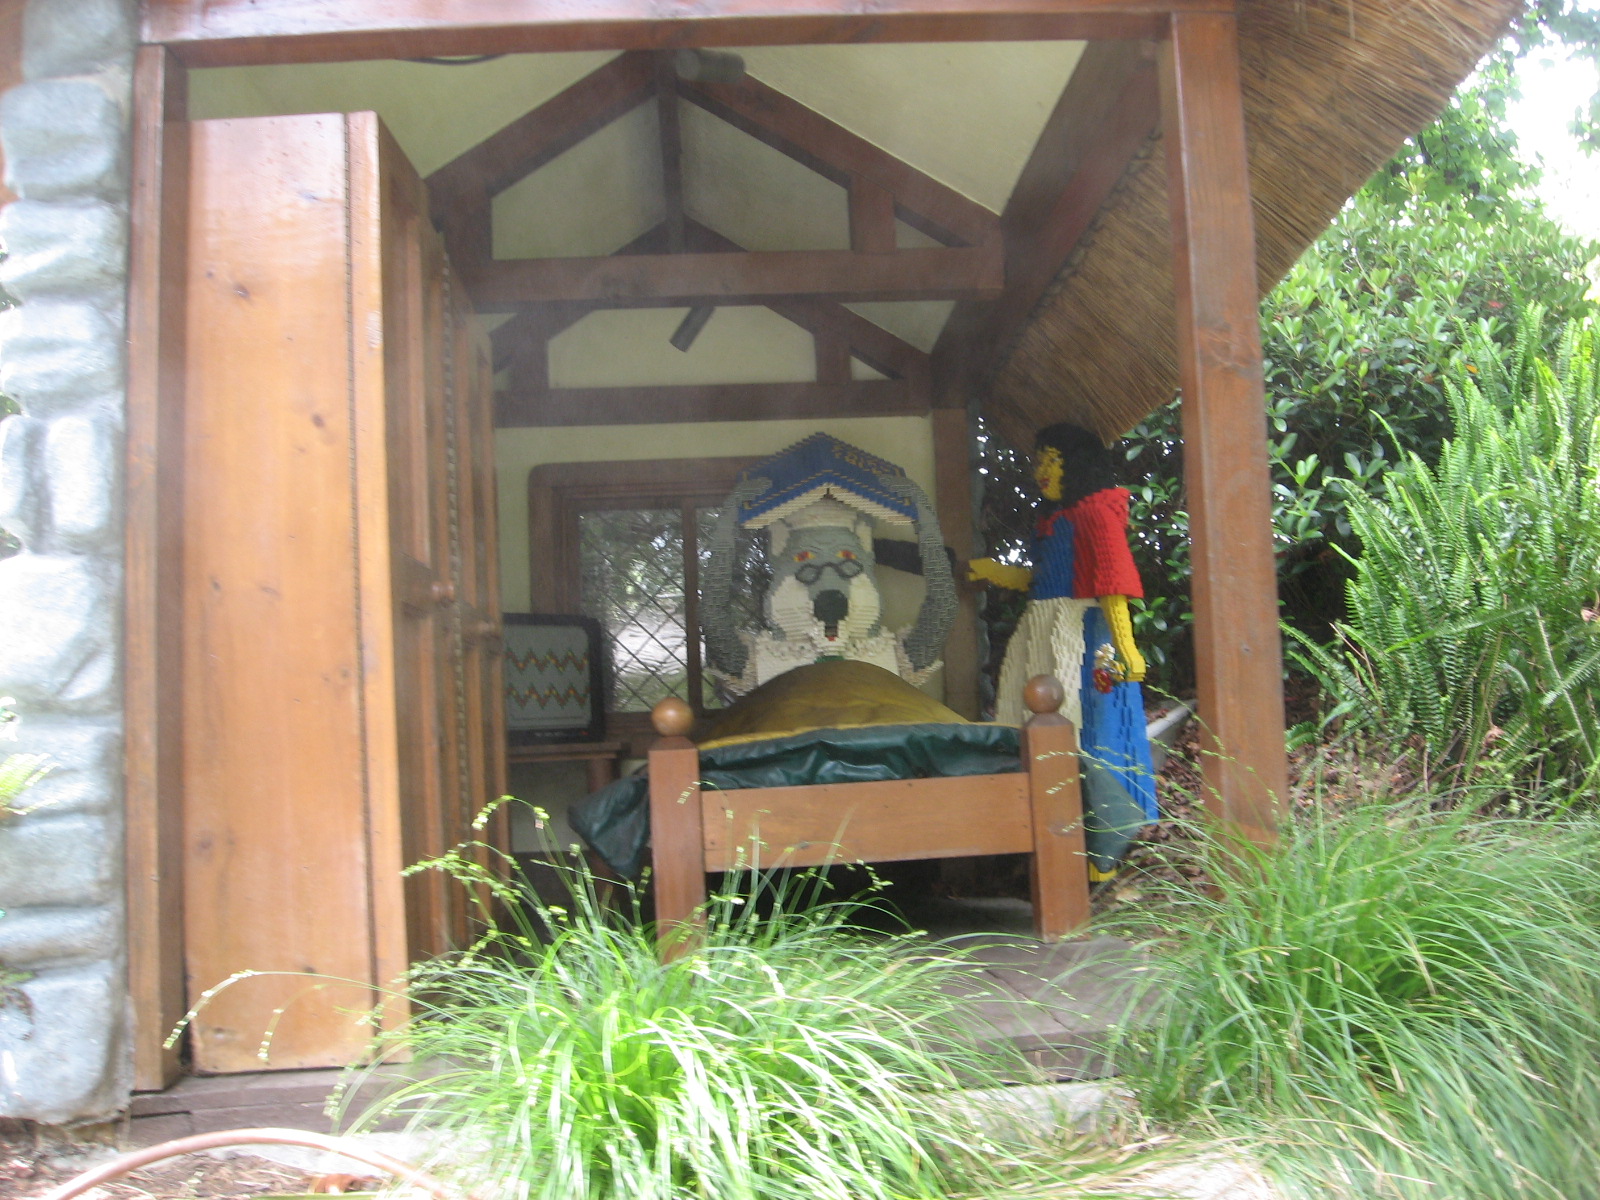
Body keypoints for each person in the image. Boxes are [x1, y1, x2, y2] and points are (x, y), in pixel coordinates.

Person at [969, 422, 1157, 879]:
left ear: (1077, 465)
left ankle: (1104, 852)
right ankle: (1058, 843)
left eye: (1051, 461)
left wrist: (1126, 647)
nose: (1042, 471)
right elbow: (1042, 579)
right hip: (1044, 635)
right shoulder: (1054, 522)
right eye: (1039, 462)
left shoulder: (1096, 512)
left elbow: (1112, 582)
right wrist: (997, 572)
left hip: (1085, 637)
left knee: (1091, 733)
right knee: (1041, 729)